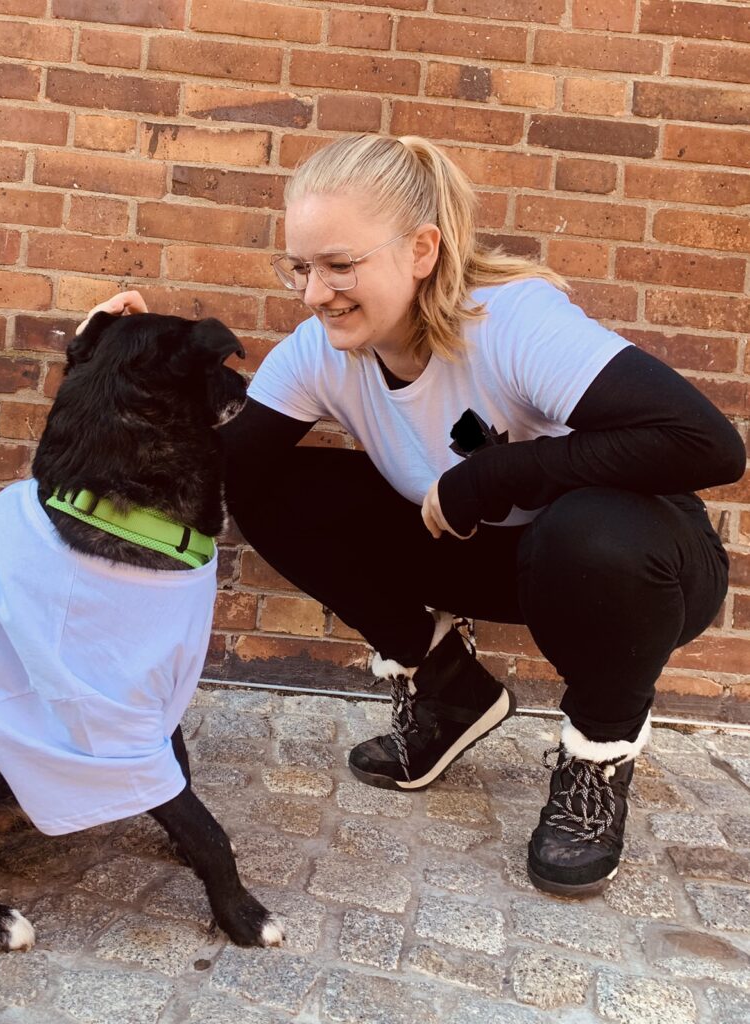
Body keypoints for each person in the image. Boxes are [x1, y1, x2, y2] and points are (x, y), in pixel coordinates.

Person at [77, 133, 745, 898]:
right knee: (272, 487)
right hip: (488, 555)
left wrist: (502, 472)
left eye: (340, 265)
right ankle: (448, 690)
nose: (313, 293)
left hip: (640, 568)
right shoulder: (322, 352)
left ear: (421, 249)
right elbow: (209, 476)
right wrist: (102, 373)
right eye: (301, 267)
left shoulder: (514, 322)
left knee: (588, 532)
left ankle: (598, 757)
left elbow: (708, 446)